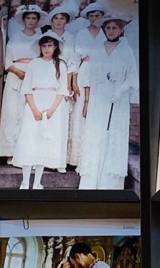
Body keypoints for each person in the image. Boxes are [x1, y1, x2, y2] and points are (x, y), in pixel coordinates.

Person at [78, 10, 138, 190]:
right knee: (96, 135)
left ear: (120, 30)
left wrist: (120, 91)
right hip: (98, 99)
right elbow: (87, 77)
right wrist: (87, 102)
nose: (111, 31)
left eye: (114, 28)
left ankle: (109, 182)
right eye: (108, 28)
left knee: (113, 135)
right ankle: (91, 180)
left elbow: (132, 77)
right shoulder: (97, 49)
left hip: (117, 100)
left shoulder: (126, 50)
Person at [12, 32, 70, 189]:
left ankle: (37, 182)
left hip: (52, 106)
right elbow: (27, 88)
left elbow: (62, 90)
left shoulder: (60, 65)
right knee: (29, 141)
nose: (46, 49)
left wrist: (51, 110)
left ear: (55, 46)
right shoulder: (34, 64)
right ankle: (25, 182)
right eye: (44, 46)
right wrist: (34, 109)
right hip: (35, 104)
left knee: (43, 144)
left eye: (50, 45)